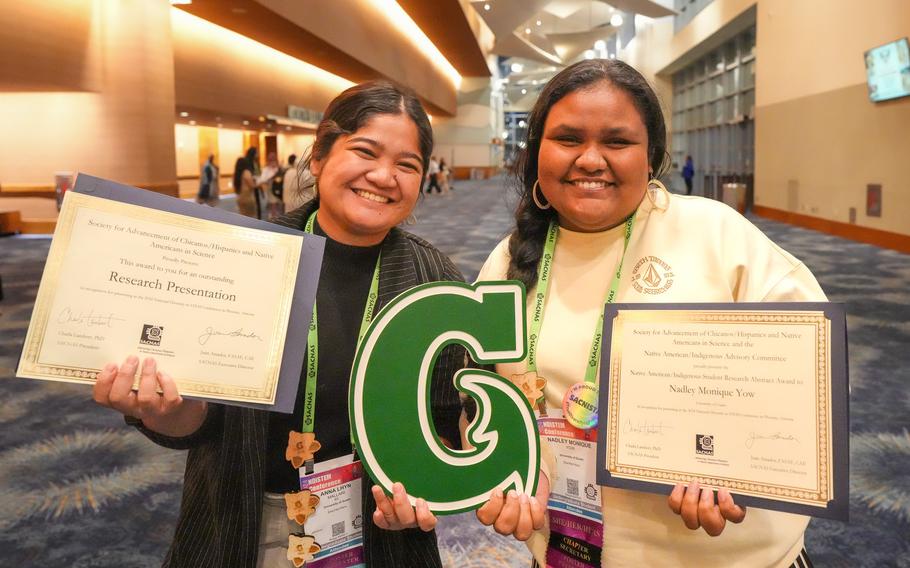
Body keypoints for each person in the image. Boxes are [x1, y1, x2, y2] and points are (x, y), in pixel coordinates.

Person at [93, 81, 467, 567]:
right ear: (319, 158)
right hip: (248, 523)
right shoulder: (244, 257)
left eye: (407, 165)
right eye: (365, 151)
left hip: (379, 529)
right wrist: (160, 411)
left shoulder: (434, 279)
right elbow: (199, 423)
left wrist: (424, 492)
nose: (383, 175)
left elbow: (442, 422)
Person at [475, 59, 824, 567]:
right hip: (571, 548)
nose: (591, 159)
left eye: (617, 142)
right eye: (568, 138)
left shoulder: (715, 233)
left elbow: (810, 370)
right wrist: (515, 467)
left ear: (652, 155)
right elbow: (484, 395)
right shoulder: (508, 260)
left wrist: (743, 458)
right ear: (537, 154)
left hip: (728, 553)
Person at [234, 147, 261, 218]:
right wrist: (260, 183)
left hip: (240, 198)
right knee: (251, 217)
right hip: (248, 198)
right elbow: (252, 185)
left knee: (243, 217)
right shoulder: (246, 172)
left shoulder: (237, 174)